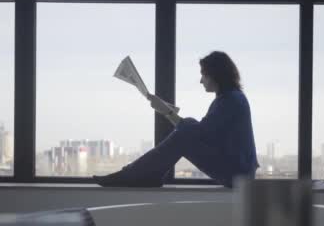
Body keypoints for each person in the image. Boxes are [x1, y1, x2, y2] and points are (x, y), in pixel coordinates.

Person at [93, 51, 258, 188]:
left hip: (237, 175)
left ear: (215, 75)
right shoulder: (231, 98)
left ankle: (131, 175)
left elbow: (200, 134)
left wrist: (167, 111)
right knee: (189, 126)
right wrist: (170, 113)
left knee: (184, 134)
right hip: (238, 172)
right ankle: (140, 174)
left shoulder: (230, 101)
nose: (201, 80)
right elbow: (201, 132)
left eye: (203, 75)